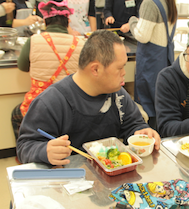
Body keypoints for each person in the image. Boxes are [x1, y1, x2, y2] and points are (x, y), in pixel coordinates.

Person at [16, 29, 161, 165]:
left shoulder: (117, 94)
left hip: (109, 176)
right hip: (69, 180)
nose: (124, 72)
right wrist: (44, 151)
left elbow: (133, 124)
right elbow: (25, 147)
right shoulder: (52, 101)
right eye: (119, 67)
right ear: (95, 69)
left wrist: (141, 131)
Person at [11, 0, 85, 141]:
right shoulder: (80, 43)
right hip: (71, 106)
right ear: (68, 23)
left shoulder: (33, 40)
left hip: (39, 105)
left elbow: (22, 66)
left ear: (45, 23)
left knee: (16, 114)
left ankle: (25, 152)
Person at [128, 0, 177, 129]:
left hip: (151, 61)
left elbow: (142, 35)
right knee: (160, 100)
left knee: (147, 103)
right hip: (164, 57)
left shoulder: (149, 3)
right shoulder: (169, 2)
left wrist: (132, 21)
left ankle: (148, 136)